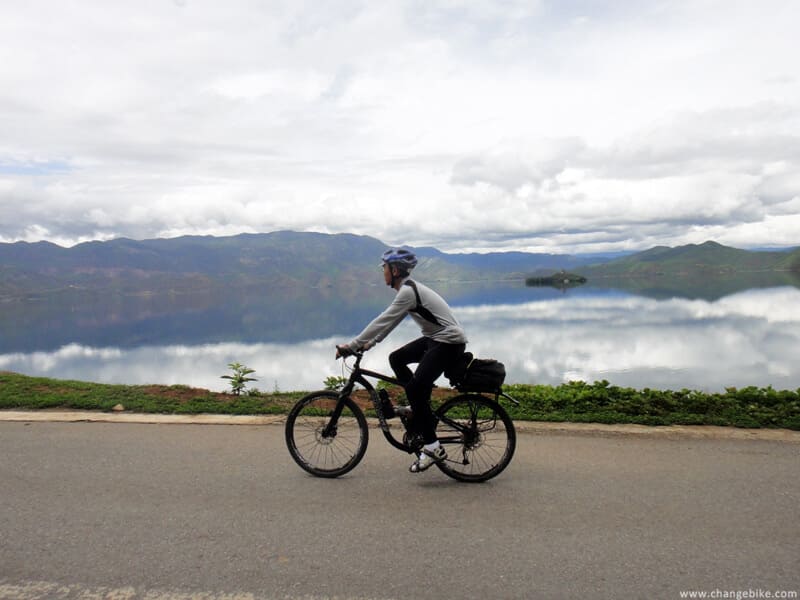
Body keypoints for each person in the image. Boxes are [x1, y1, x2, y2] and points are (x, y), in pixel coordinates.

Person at [336, 248, 468, 473]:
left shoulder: (408, 292)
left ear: (395, 270)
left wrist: (353, 345)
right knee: (396, 359)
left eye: (384, 268)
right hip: (436, 339)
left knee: (415, 388)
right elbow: (392, 321)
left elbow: (382, 320)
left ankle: (433, 446)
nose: (383, 272)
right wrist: (372, 343)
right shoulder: (408, 291)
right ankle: (418, 408)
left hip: (448, 342)